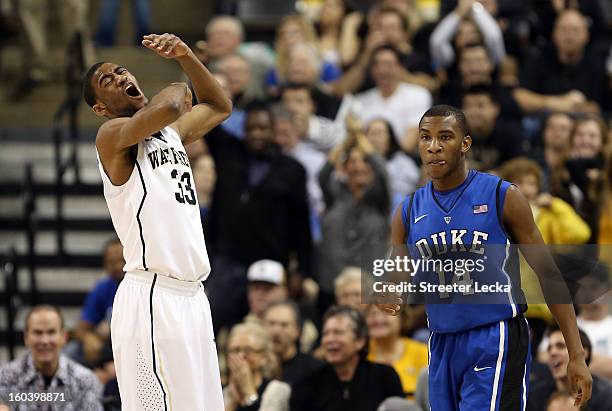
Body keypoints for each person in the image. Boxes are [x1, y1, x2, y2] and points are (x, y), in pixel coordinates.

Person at [382, 105, 592, 410]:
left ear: (465, 144)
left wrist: (576, 354)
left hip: (495, 336)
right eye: (425, 138)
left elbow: (549, 274)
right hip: (441, 341)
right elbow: (396, 274)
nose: (434, 146)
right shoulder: (407, 210)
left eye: (445, 137)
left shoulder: (502, 196)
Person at [83, 32, 232, 410]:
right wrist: (180, 79)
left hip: (194, 297)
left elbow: (219, 105)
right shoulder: (111, 135)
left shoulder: (172, 135)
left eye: (120, 72)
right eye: (108, 81)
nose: (119, 78)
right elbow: (171, 105)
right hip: (152, 295)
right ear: (100, 107)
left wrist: (185, 56)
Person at [290, 305, 405, 411]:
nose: (330, 339)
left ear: (360, 341)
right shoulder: (307, 384)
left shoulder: (385, 377)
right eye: (326, 334)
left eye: (338, 333)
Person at [0, 305, 103, 410]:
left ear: (64, 336)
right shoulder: (5, 377)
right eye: (37, 332)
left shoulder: (85, 381)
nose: (45, 341)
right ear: (26, 337)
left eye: (51, 332)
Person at [68, 237, 124, 367]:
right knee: (71, 352)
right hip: (108, 349)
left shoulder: (141, 289)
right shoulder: (103, 288)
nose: (116, 266)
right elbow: (81, 328)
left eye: (121, 260)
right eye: (111, 262)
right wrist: (88, 338)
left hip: (137, 348)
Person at [528, 325, 612, 411]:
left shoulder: (605, 396)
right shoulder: (535, 396)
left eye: (560, 346)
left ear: (583, 353)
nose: (552, 352)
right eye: (549, 348)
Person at [224, 322, 291, 411]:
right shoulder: (224, 392)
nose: (240, 356)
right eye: (235, 350)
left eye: (248, 350)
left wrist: (249, 392)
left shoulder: (277, 390)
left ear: (264, 357)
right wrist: (232, 402)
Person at [365, 305, 428, 398]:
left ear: (402, 319)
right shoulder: (357, 354)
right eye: (373, 314)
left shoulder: (422, 352)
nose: (378, 319)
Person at [263, 300, 324, 386]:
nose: (276, 331)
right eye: (271, 324)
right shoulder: (255, 366)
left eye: (284, 325)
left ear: (297, 331)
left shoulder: (314, 370)